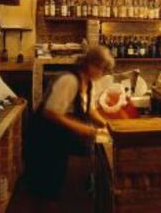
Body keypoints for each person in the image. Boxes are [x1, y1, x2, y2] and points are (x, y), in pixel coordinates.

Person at [24, 46, 115, 208]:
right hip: (45, 137)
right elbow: (50, 112)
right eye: (101, 69)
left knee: (58, 179)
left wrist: (106, 125)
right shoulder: (69, 80)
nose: (102, 74)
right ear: (91, 64)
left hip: (59, 138)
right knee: (46, 185)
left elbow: (90, 109)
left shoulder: (89, 83)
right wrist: (82, 128)